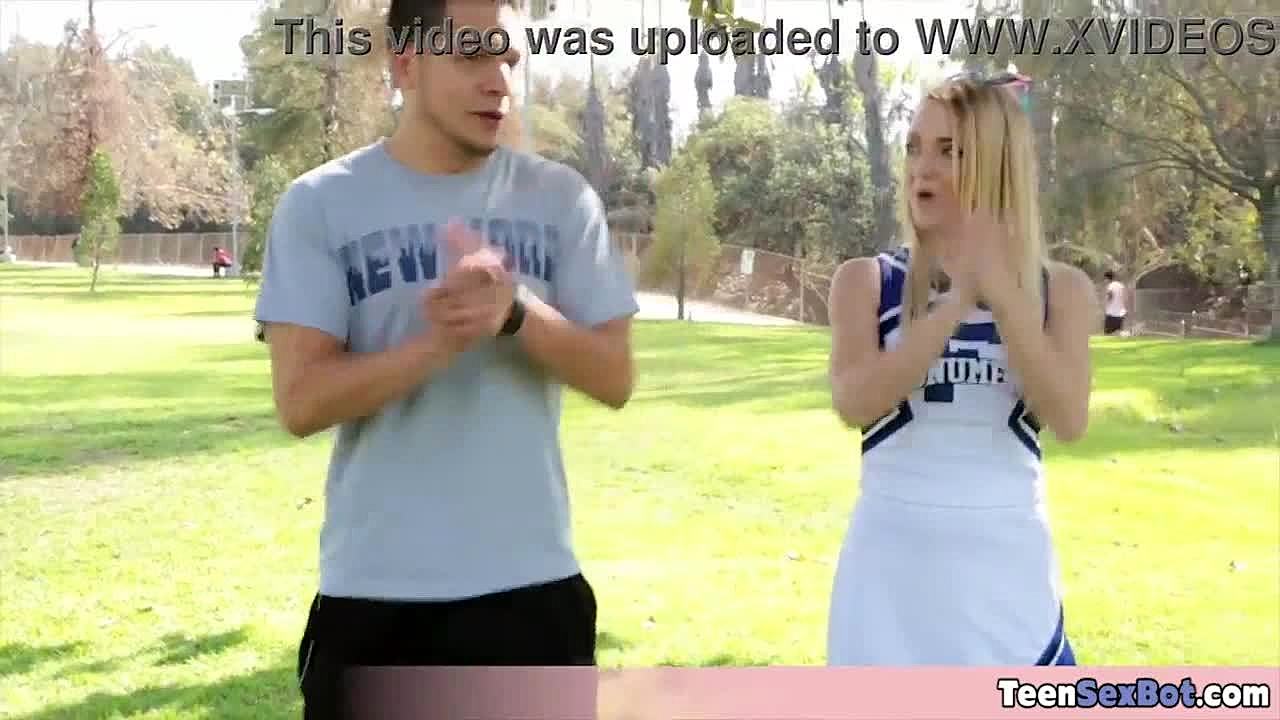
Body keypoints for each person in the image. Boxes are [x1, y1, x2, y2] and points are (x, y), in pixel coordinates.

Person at [252, 0, 639, 716]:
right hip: (378, 600)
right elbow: (301, 401)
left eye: (509, 59)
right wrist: (437, 345)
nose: (499, 81)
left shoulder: (561, 200)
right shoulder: (321, 204)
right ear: (406, 64)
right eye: (471, 56)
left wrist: (515, 314)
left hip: (532, 594)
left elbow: (615, 376)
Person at [825, 73, 1099, 666]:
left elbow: (1068, 418)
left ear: (996, 167)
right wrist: (954, 303)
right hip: (888, 581)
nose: (922, 168)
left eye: (949, 151)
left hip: (1007, 582)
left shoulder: (1062, 292)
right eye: (914, 147)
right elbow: (855, 402)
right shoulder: (865, 281)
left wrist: (999, 287)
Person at [1102, 270, 1127, 335]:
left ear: (1107, 278)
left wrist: (1105, 303)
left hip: (1111, 313)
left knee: (1107, 333)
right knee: (1118, 334)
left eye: (1105, 279)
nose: (1104, 281)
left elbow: (1110, 296)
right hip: (1121, 313)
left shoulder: (1110, 286)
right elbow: (1125, 297)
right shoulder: (1121, 285)